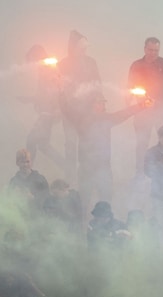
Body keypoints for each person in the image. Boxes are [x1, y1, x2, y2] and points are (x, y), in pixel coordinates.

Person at [127, 37, 163, 175]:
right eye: (150, 50)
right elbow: (130, 87)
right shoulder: (136, 65)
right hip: (142, 111)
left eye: (156, 50)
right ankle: (140, 173)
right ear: (145, 49)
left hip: (162, 109)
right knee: (141, 143)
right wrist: (128, 102)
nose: (153, 53)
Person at [58, 30, 101, 183]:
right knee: (70, 145)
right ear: (73, 47)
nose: (83, 51)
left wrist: (98, 103)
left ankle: (86, 176)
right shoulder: (63, 63)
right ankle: (69, 178)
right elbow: (59, 88)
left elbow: (97, 84)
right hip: (69, 112)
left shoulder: (91, 62)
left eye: (85, 48)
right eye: (81, 48)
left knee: (86, 144)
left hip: (87, 112)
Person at [8, 148, 50, 215]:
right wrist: (15, 196)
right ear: (17, 163)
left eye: (27, 162)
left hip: (37, 217)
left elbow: (47, 199)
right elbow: (8, 200)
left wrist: (33, 198)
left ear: (31, 162)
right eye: (22, 162)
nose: (25, 165)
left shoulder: (40, 179)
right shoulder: (13, 181)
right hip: (19, 218)